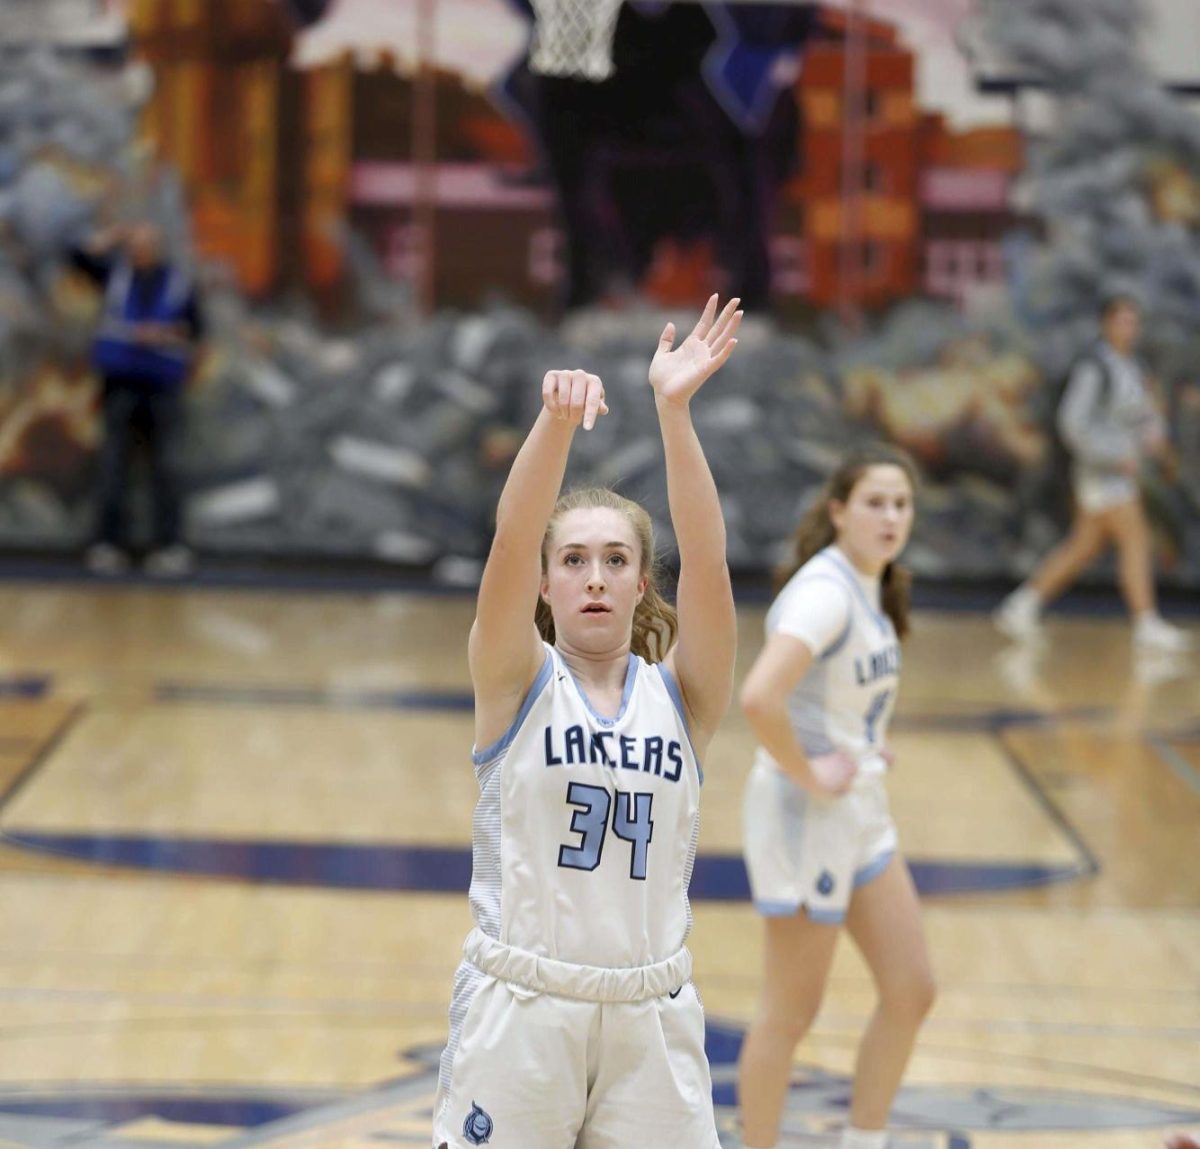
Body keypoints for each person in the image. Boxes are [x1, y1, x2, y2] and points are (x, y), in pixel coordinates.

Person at [434, 294, 742, 1149]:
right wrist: (555, 425)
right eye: (573, 559)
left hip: (652, 1011)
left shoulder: (685, 697)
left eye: (616, 560)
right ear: (546, 583)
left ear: (644, 584)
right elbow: (507, 540)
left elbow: (710, 560)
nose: (595, 577)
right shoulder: (512, 679)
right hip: (523, 1009)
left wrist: (675, 412)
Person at [737, 444, 935, 1149]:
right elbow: (760, 697)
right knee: (790, 1011)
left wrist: (862, 743)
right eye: (875, 502)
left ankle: (864, 1141)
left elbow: (837, 699)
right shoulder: (824, 592)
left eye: (901, 503)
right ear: (839, 510)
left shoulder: (870, 584)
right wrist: (810, 769)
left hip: (859, 813)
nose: (890, 516)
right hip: (804, 818)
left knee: (911, 988)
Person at [994, 296, 1191, 652]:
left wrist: (1154, 438)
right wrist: (1114, 456)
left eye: (1134, 322)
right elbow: (1073, 424)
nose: (1129, 329)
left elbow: (1139, 415)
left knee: (1083, 546)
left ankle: (1022, 604)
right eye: (1122, 321)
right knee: (1136, 540)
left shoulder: (1130, 366)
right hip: (1101, 474)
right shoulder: (1093, 367)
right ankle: (1146, 621)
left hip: (1122, 473)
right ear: (1106, 324)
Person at [70, 218, 204, 576]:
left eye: (147, 243)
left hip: (162, 385)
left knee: (167, 466)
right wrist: (110, 235)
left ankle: (171, 545)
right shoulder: (114, 275)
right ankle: (108, 543)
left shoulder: (178, 282)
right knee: (113, 465)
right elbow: (77, 256)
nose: (140, 250)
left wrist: (167, 333)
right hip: (120, 384)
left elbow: (197, 328)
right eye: (136, 243)